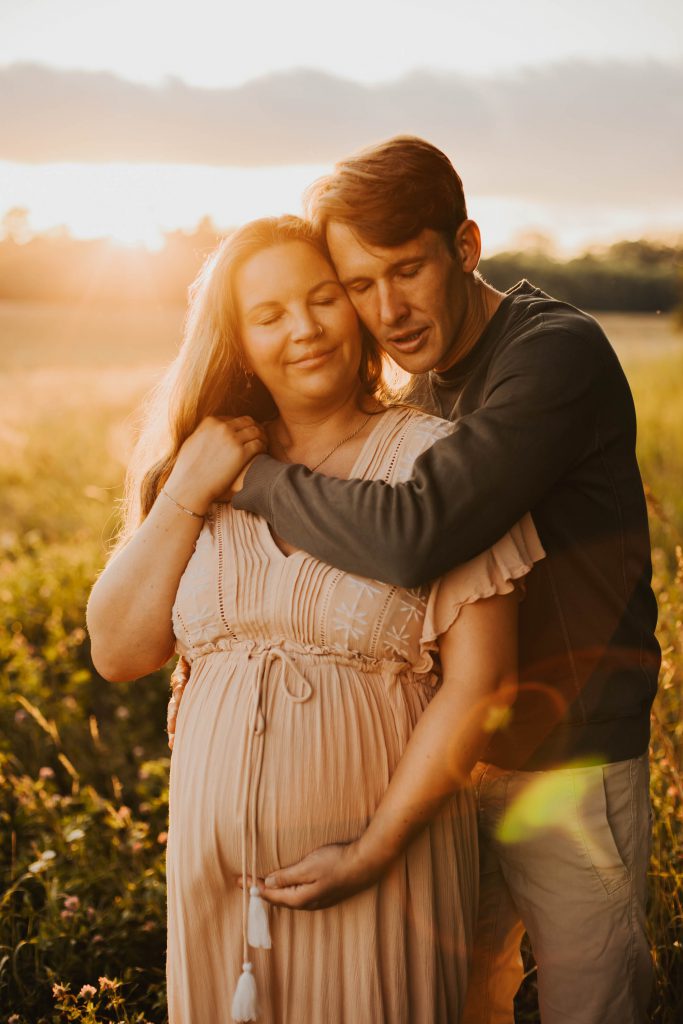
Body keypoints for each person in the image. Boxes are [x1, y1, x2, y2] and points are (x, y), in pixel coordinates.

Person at [222, 139, 660, 1024]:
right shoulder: (418, 384)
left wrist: (250, 476)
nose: (386, 309)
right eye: (357, 284)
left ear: (463, 246)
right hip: (456, 759)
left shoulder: (553, 354)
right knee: (459, 1004)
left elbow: (419, 534)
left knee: (593, 1004)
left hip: (571, 762)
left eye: (407, 269)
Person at [86, 215, 544, 1024]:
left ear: (354, 306)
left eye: (322, 298)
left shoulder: (437, 463)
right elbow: (120, 651)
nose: (303, 329)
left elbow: (480, 685)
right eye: (268, 315)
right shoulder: (201, 467)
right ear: (236, 339)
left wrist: (371, 854)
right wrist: (190, 486)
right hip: (215, 881)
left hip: (387, 875)